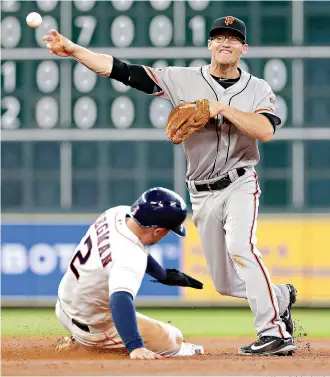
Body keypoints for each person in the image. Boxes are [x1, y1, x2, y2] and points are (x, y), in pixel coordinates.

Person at [44, 16, 297, 356]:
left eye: (233, 38)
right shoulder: (181, 79)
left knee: (242, 247)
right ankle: (281, 297)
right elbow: (122, 71)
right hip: (201, 191)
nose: (225, 42)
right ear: (209, 44)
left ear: (243, 48)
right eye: (219, 37)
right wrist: (74, 50)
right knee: (224, 283)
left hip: (240, 182)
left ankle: (274, 332)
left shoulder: (258, 89)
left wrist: (221, 109)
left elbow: (264, 131)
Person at [55, 187, 204, 360]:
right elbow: (120, 299)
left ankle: (80, 339)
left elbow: (133, 248)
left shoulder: (115, 213)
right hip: (93, 328)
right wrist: (136, 346)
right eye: (168, 230)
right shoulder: (130, 256)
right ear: (158, 231)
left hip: (63, 307)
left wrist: (163, 275)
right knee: (175, 340)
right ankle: (88, 345)